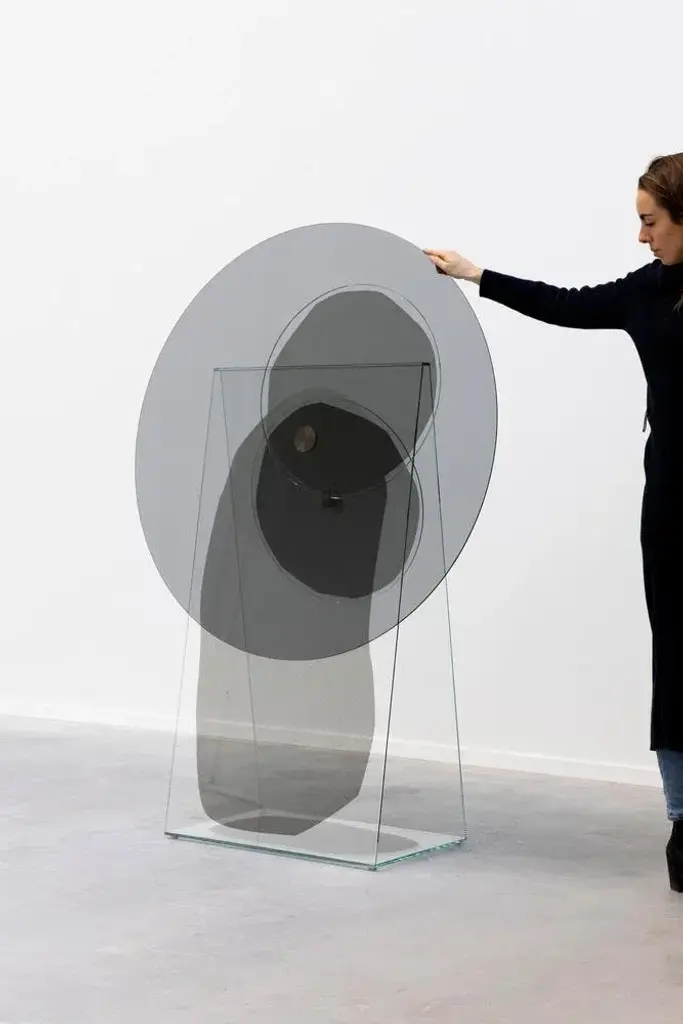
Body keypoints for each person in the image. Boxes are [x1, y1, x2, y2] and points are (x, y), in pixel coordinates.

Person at [424, 152, 683, 893]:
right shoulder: (645, 291)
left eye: (650, 221)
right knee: (677, 659)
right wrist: (476, 275)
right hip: (672, 504)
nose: (641, 236)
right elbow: (563, 303)